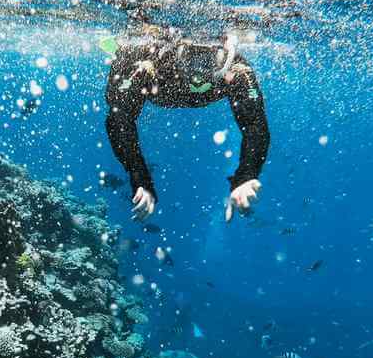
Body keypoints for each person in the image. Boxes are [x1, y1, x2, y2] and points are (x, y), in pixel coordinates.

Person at [103, 29, 270, 221]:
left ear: (226, 50)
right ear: (174, 48)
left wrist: (246, 176)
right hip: (150, 79)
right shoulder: (147, 61)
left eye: (209, 56)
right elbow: (119, 119)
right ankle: (117, 50)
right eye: (190, 54)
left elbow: (255, 124)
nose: (198, 68)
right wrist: (140, 178)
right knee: (117, 95)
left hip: (160, 86)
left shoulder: (236, 70)